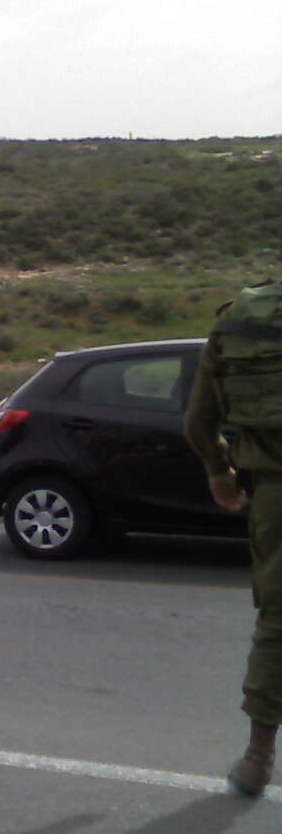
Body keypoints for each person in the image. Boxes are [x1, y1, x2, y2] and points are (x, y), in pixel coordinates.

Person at [185, 283, 282, 797]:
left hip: (274, 494)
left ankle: (257, 758)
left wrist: (219, 470)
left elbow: (199, 419)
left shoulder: (239, 319)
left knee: (278, 621)